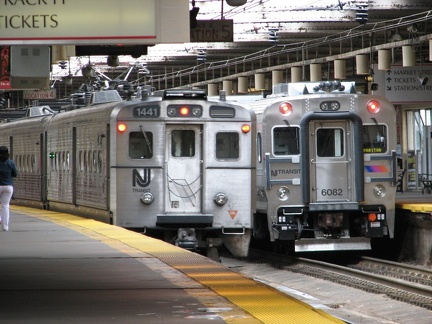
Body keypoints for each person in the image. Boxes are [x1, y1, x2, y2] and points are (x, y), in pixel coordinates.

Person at [0, 146, 17, 231]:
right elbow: (15, 174)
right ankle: (5, 227)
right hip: (8, 186)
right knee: (5, 206)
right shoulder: (11, 163)